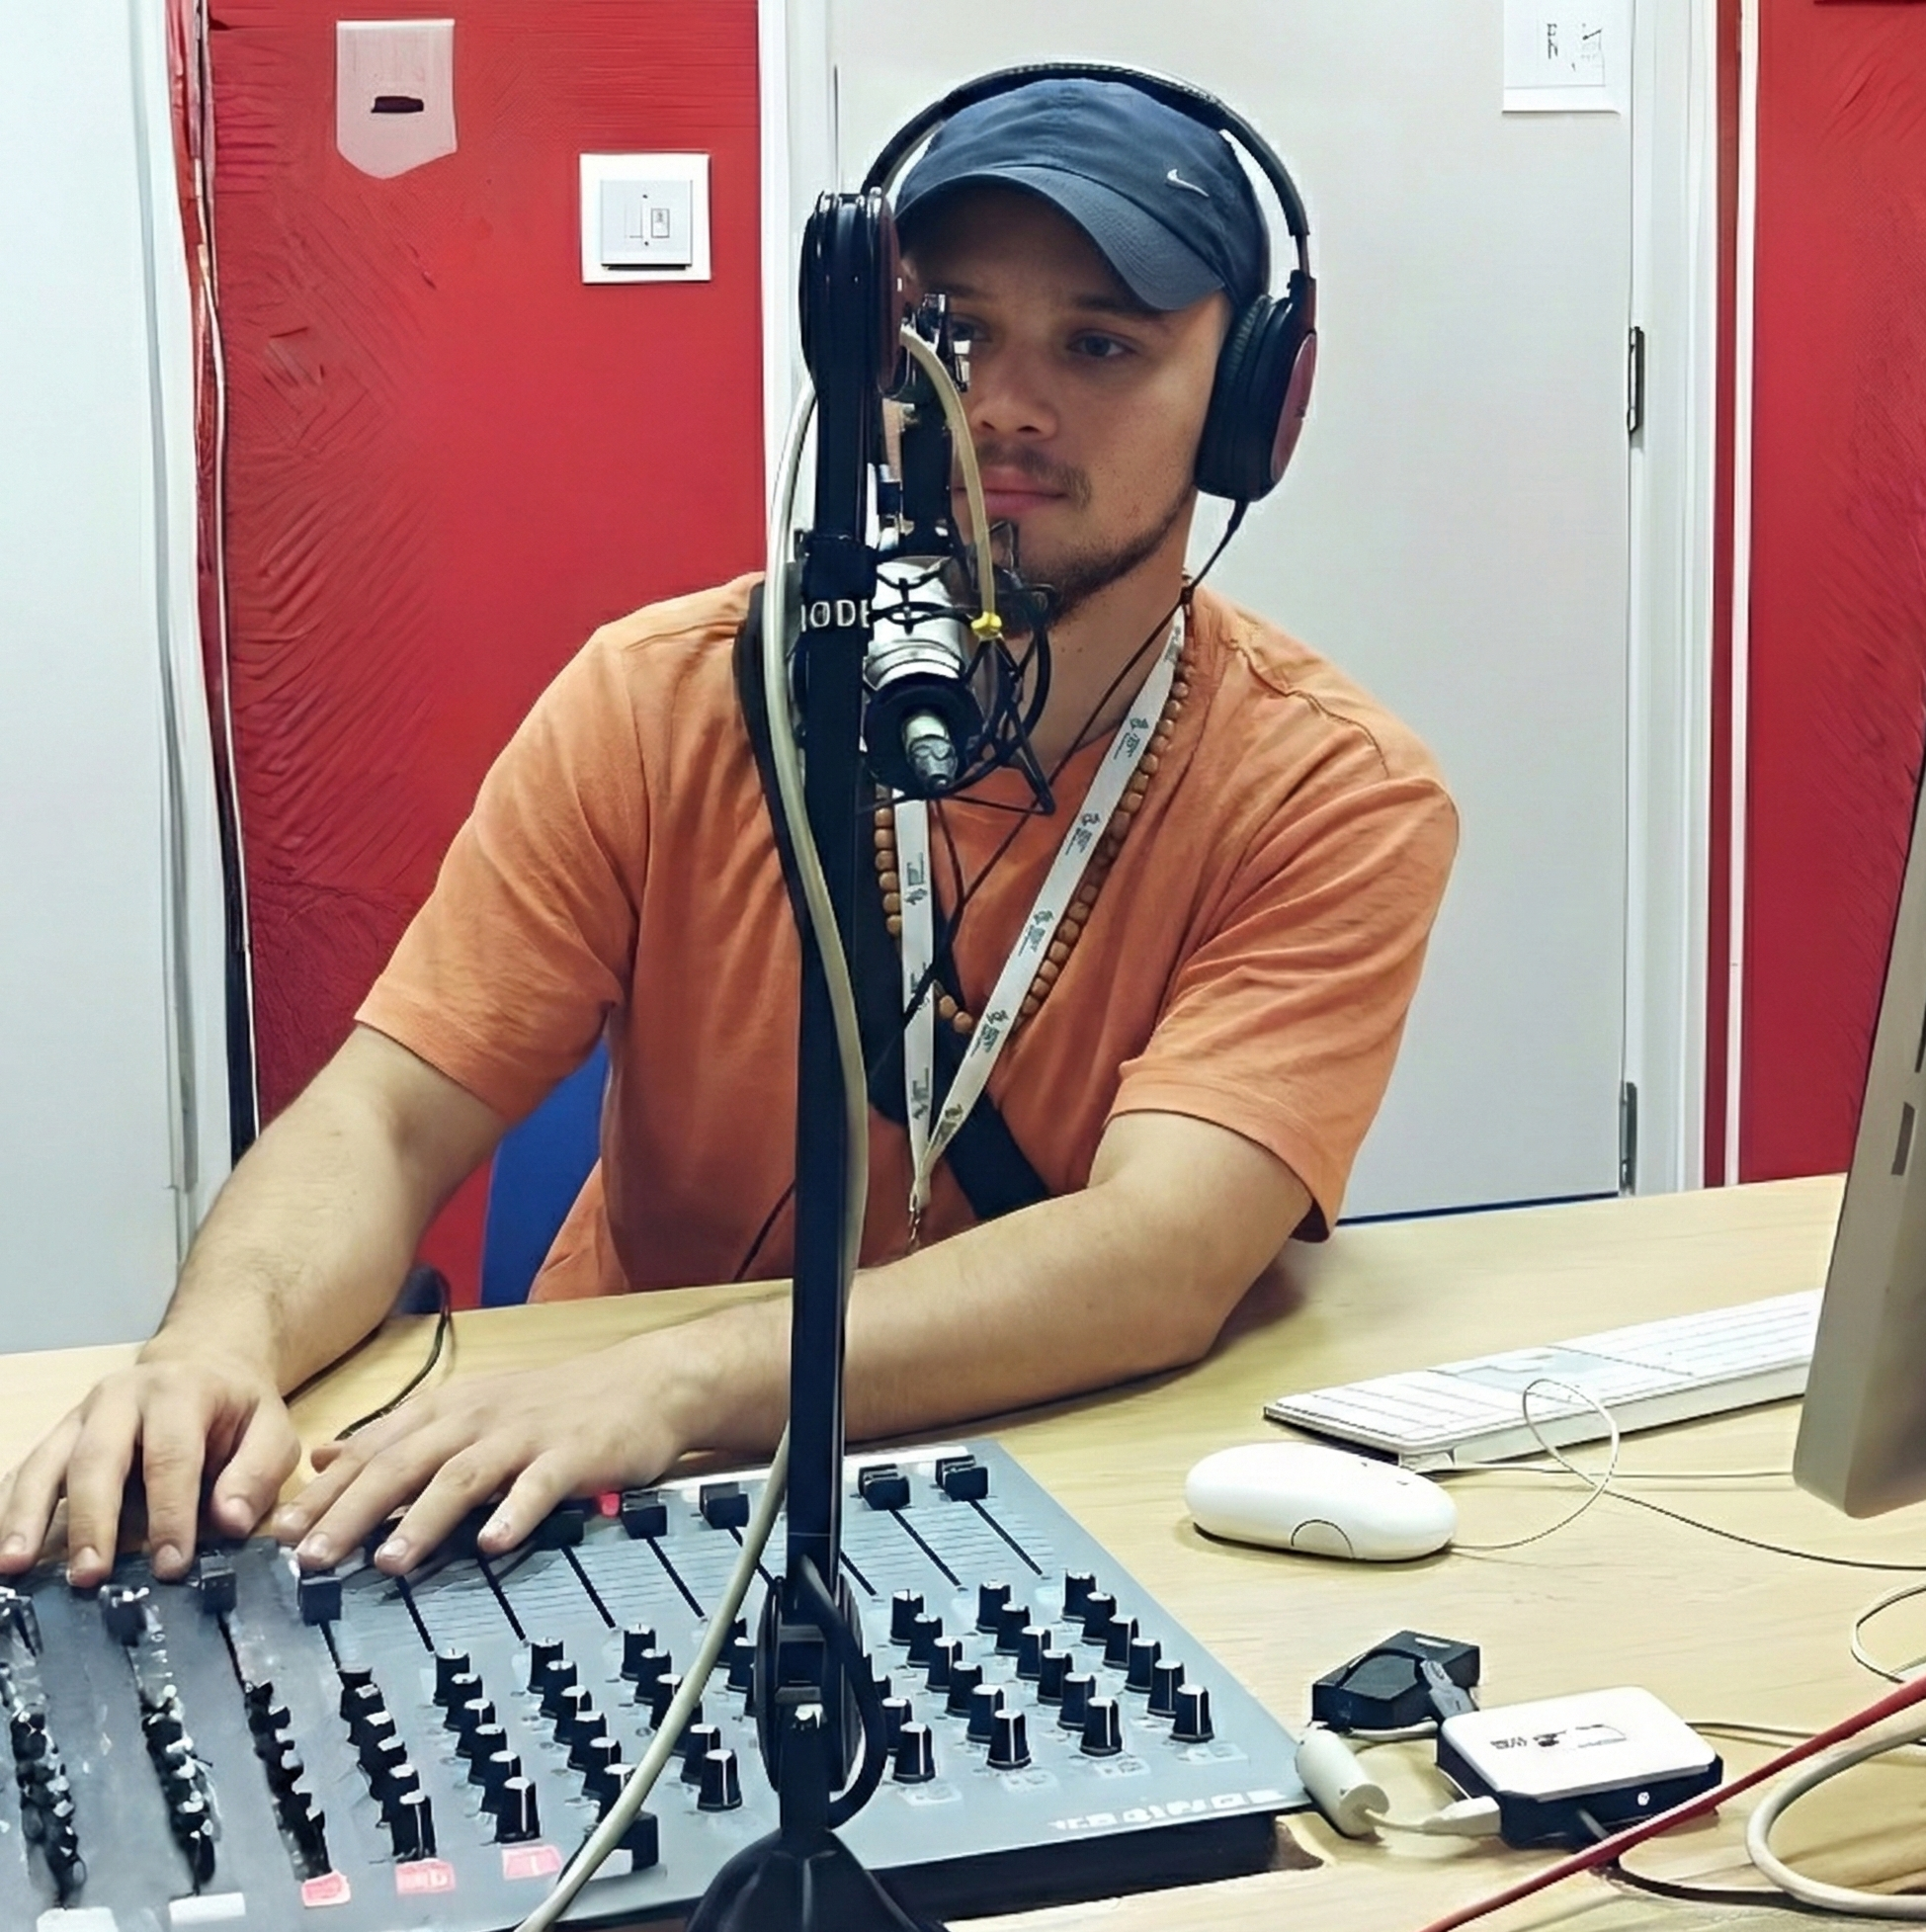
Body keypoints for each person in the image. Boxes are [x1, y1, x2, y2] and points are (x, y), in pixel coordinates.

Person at [0, 76, 1456, 1591]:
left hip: (1044, 1461)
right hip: (597, 1484)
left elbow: (1159, 1253)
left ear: (1246, 405)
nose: (1008, 406)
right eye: (953, 334)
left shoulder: (1331, 792)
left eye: (1099, 344)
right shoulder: (662, 700)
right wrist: (212, 1341)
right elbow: (388, 1113)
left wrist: (679, 1380)